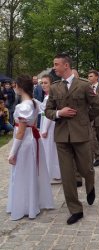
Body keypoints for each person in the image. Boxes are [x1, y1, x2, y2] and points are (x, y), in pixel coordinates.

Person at [45, 53, 99, 225]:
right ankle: (76, 209)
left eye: (56, 64)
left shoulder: (84, 85)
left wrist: (84, 120)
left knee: (86, 169)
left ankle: (90, 185)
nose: (54, 67)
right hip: (62, 136)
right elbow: (47, 111)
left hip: (81, 135)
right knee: (67, 175)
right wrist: (59, 113)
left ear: (66, 65)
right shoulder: (55, 87)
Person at [6, 74, 54, 220]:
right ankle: (30, 203)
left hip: (25, 142)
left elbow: (20, 131)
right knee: (30, 172)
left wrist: (12, 152)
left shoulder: (23, 106)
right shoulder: (34, 102)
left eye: (15, 86)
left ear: (19, 87)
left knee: (22, 173)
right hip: (32, 140)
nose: (14, 88)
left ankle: (24, 205)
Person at [40, 74, 61, 182]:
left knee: (48, 149)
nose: (43, 85)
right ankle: (55, 173)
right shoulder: (47, 96)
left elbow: (48, 114)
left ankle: (50, 173)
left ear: (51, 84)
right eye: (42, 83)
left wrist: (44, 129)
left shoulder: (49, 97)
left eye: (45, 83)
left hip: (49, 125)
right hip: (47, 123)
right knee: (51, 150)